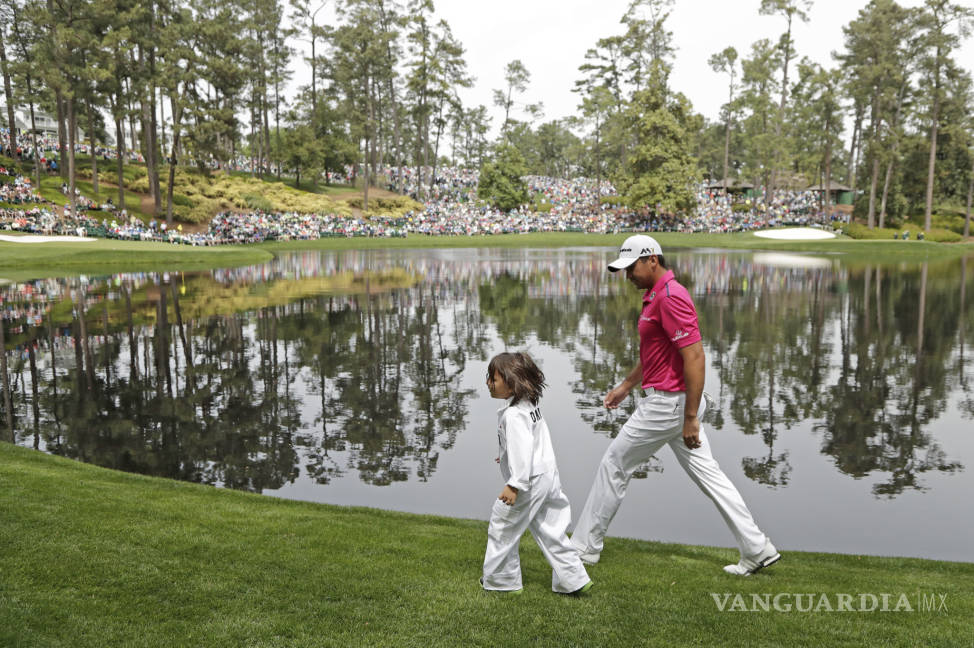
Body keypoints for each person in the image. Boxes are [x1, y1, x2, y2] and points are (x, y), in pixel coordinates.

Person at [570, 234, 780, 577]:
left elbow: (694, 356)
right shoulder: (656, 296)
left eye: (632, 268)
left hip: (668, 406)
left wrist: (691, 417)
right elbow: (657, 353)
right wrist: (626, 385)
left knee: (614, 464)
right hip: (671, 404)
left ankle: (583, 549)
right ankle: (758, 548)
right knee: (710, 476)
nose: (628, 276)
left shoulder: (669, 297)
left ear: (653, 259)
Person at [482, 351, 593, 595]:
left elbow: (522, 449)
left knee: (503, 524)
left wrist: (514, 484)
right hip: (547, 475)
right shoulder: (529, 405)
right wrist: (507, 456)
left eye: (493, 378)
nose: (488, 383)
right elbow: (530, 443)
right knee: (550, 528)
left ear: (511, 382)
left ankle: (503, 581)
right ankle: (573, 579)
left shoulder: (513, 415)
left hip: (528, 481)